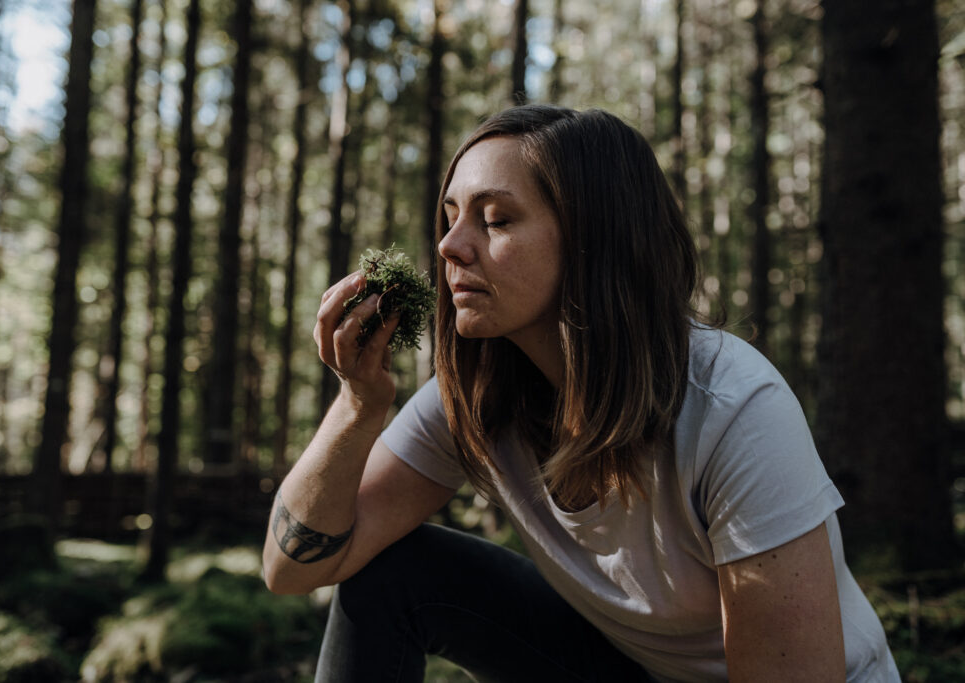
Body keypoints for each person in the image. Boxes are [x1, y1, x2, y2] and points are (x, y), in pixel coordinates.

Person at [262, 105, 900, 682]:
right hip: (630, 670)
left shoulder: (734, 410)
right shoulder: (479, 395)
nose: (450, 247)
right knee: (391, 575)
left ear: (596, 240)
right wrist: (358, 408)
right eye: (452, 217)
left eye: (497, 219)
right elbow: (291, 570)